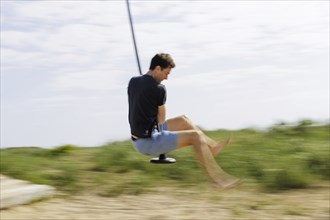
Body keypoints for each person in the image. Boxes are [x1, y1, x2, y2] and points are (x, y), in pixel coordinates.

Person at [128, 53, 240, 189]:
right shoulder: (159, 89)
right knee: (195, 136)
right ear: (157, 69)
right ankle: (217, 180)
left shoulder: (133, 81)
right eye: (166, 73)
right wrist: (152, 100)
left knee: (183, 120)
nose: (166, 78)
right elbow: (161, 119)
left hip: (143, 134)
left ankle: (212, 147)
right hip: (147, 142)